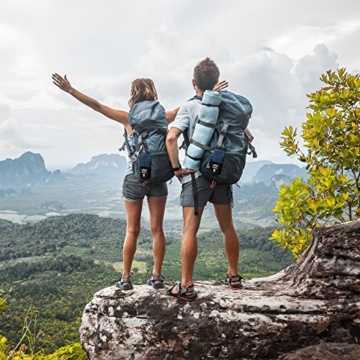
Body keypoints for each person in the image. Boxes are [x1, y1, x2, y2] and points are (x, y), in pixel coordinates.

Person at [52, 73, 227, 291]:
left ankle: (125, 278)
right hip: (159, 179)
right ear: (154, 93)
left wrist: (70, 90)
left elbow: (97, 106)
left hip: (134, 178)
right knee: (157, 230)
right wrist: (211, 93)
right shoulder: (165, 116)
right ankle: (157, 276)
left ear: (133, 95)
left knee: (132, 230)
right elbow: (192, 106)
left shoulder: (128, 118)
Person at [165, 57, 253, 301]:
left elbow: (171, 138)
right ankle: (234, 276)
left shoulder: (190, 107)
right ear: (217, 81)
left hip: (197, 177)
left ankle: (186, 285)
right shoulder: (227, 107)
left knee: (189, 230)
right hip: (223, 174)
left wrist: (176, 169)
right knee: (228, 227)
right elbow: (249, 137)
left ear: (193, 82)